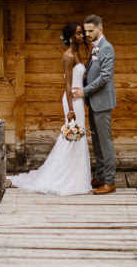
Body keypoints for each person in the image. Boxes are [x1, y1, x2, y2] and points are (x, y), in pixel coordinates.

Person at [9, 23, 92, 196]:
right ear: (71, 37)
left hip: (79, 99)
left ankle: (77, 177)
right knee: (71, 135)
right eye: (78, 34)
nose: (82, 36)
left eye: (82, 33)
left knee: (79, 137)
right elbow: (68, 85)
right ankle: (59, 177)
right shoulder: (68, 56)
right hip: (71, 101)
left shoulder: (77, 53)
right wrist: (70, 110)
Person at [73, 14, 116, 195]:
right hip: (93, 102)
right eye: (86, 30)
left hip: (102, 102)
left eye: (91, 30)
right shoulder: (95, 48)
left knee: (105, 143)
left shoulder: (107, 48)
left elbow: (105, 77)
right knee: (97, 143)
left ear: (101, 29)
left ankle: (110, 182)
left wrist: (84, 91)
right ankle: (99, 177)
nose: (88, 33)